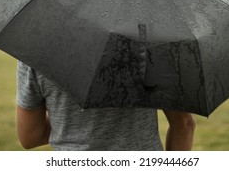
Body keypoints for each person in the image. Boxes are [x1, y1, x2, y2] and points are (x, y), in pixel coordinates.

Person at [16, 61, 195, 151]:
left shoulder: (36, 51)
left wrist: (73, 123)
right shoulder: (152, 45)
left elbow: (30, 136)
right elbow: (184, 123)